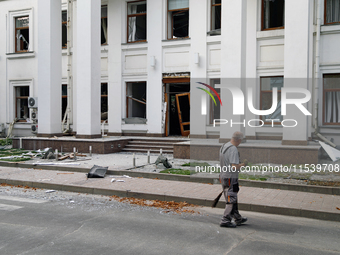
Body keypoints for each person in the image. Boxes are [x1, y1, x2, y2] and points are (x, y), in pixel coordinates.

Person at [219, 131, 247, 228]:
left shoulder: (224, 146)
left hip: (223, 175)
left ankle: (238, 218)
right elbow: (234, 167)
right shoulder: (233, 149)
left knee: (232, 197)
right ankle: (225, 220)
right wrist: (243, 165)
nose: (240, 143)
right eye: (240, 141)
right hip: (230, 177)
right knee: (231, 199)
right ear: (239, 140)